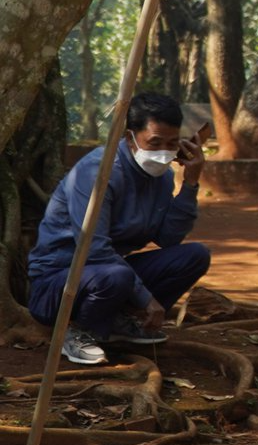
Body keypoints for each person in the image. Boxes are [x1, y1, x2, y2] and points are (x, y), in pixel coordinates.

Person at [28, 91, 209, 367]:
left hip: (111, 275)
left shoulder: (161, 177)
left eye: (172, 144)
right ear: (129, 137)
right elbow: (94, 248)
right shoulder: (97, 173)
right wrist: (146, 298)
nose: (163, 153)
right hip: (58, 282)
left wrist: (191, 183)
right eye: (155, 143)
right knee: (116, 274)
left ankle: (116, 323)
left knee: (195, 255)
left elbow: (169, 238)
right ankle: (77, 332)